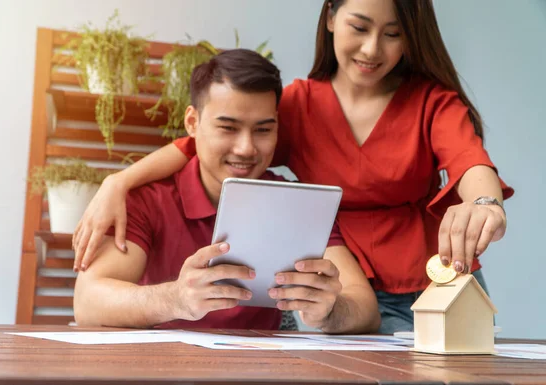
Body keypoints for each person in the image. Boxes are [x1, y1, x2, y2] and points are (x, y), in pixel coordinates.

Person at [72, 0, 514, 334]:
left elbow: (470, 161)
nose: (372, 48)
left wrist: (485, 202)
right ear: (330, 18)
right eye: (359, 26)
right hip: (337, 286)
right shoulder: (298, 105)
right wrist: (120, 180)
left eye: (393, 34)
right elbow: (204, 145)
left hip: (430, 283)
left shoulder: (431, 103)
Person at [73, 49, 380, 333]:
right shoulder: (147, 199)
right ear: (193, 122)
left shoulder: (298, 203)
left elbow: (365, 309)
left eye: (263, 129)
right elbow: (88, 301)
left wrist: (330, 310)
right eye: (228, 128)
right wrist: (176, 298)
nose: (246, 149)